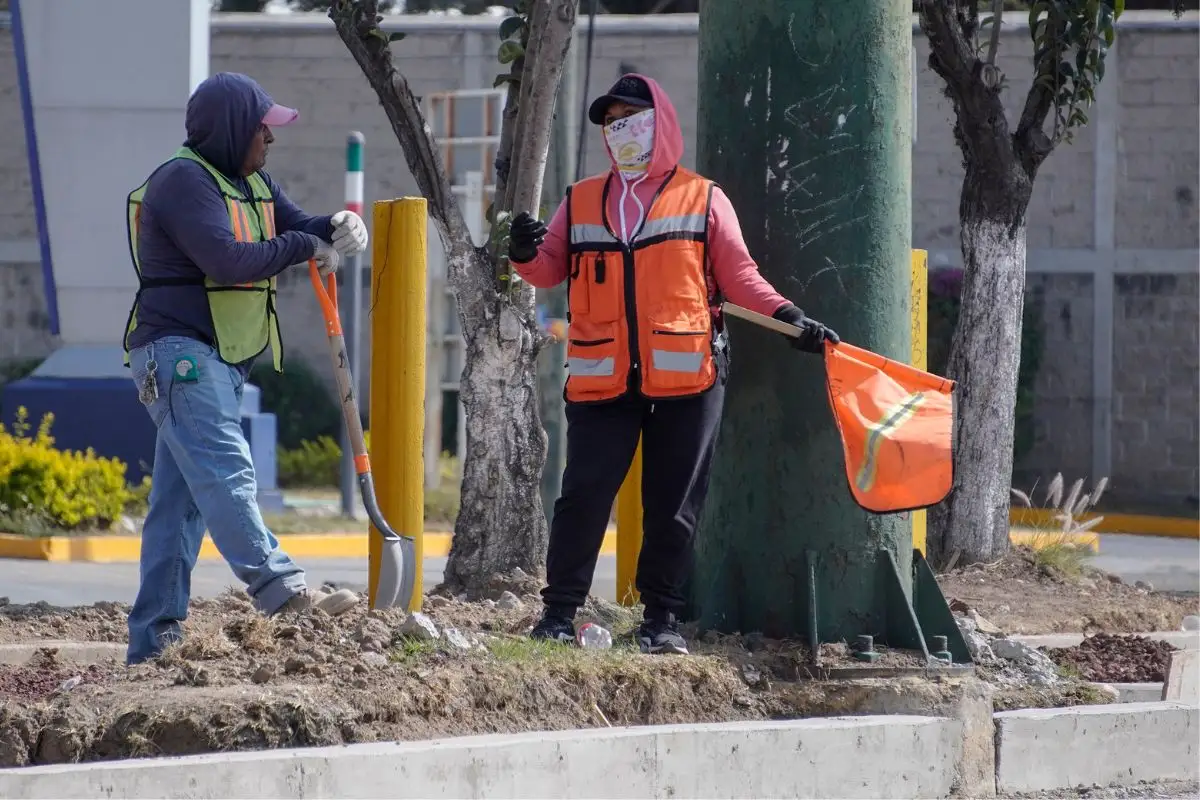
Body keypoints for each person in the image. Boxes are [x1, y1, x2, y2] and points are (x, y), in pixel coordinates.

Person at [508, 74, 839, 655]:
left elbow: (740, 276)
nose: (621, 130)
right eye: (612, 122)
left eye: (631, 118)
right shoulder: (580, 199)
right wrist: (524, 251)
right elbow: (548, 269)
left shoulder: (703, 198)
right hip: (602, 377)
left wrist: (790, 317)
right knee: (583, 495)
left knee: (674, 504)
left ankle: (660, 621)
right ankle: (558, 614)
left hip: (688, 377)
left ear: (658, 122)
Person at [120, 72, 370, 665]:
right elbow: (227, 261)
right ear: (233, 129)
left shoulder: (251, 180)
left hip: (219, 358)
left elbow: (296, 224)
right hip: (179, 355)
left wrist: (333, 227)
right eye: (263, 128)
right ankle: (282, 589)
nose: (270, 138)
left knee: (179, 506)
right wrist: (306, 247)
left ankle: (153, 644)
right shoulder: (183, 181)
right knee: (227, 470)